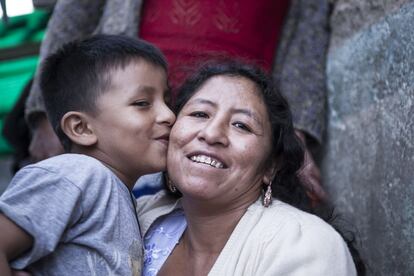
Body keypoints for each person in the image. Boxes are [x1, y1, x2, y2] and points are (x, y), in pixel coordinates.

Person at [25, 0, 329, 203]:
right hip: (121, 105)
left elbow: (308, 36)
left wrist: (293, 133)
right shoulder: (77, 180)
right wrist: (47, 113)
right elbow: (74, 10)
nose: (171, 116)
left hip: (237, 105)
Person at [136, 61, 363, 275]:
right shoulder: (137, 216)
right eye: (199, 114)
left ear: (271, 166)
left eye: (241, 125)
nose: (212, 133)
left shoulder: (306, 245)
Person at [0, 34, 175, 275]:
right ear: (81, 128)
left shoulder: (120, 194)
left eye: (167, 101)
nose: (169, 115)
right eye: (143, 103)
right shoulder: (78, 175)